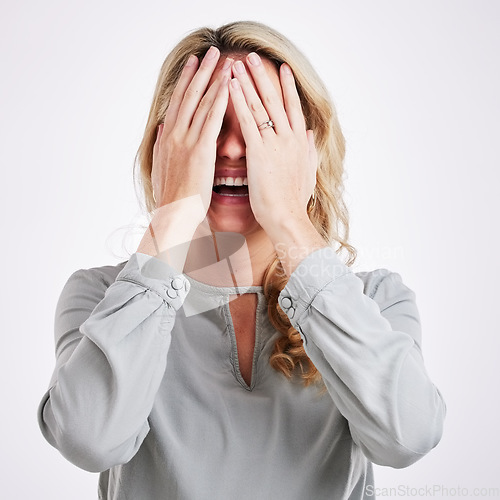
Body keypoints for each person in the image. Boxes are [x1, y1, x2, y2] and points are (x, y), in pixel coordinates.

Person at [38, 21, 446, 500]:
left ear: (306, 152)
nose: (232, 148)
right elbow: (89, 441)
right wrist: (172, 218)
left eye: (262, 126)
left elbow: (408, 437)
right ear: (166, 146)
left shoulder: (376, 301)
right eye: (208, 124)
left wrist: (291, 220)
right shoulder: (100, 299)